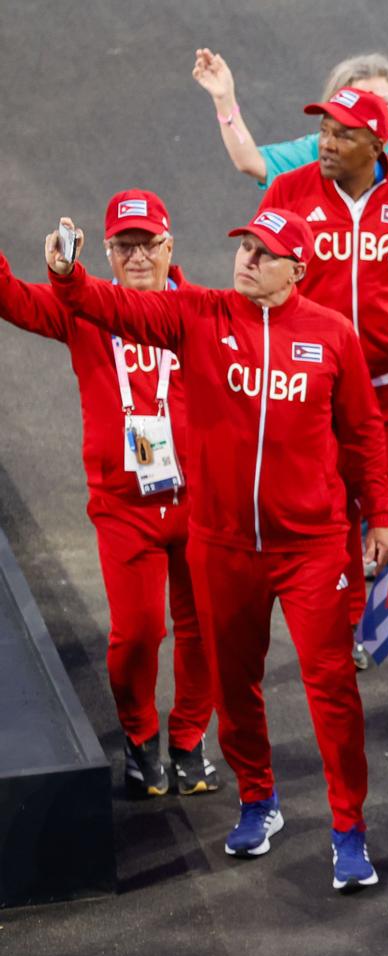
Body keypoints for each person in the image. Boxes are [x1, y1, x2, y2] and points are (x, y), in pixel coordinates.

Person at [48, 207, 388, 887]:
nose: (246, 261)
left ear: (298, 269)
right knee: (235, 686)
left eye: (264, 254)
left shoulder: (332, 337)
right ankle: (259, 800)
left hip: (311, 546)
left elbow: (362, 433)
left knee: (332, 689)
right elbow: (111, 307)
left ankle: (349, 828)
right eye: (244, 248)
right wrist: (68, 277)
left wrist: (380, 515)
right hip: (224, 544)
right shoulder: (198, 315)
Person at [258, 86, 388, 704]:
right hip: (318, 393)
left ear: (378, 143)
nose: (326, 143)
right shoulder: (289, 194)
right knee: (331, 518)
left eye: (342, 134)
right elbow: (254, 278)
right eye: (323, 130)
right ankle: (351, 625)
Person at [0, 191, 215, 798]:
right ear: (108, 251)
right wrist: (64, 273)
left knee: (204, 629)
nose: (138, 255)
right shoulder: (83, 309)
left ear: (170, 246)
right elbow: (11, 297)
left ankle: (191, 738)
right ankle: (141, 736)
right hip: (126, 504)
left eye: (148, 243)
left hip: (201, 499)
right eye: (125, 245)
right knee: (138, 631)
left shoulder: (203, 310)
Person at [190, 49, 388, 251]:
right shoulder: (323, 152)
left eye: (383, 102)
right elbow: (249, 160)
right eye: (362, 102)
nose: (374, 112)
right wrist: (224, 98)